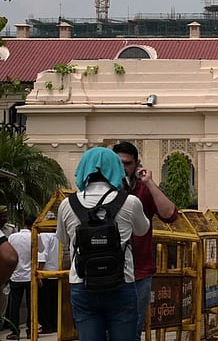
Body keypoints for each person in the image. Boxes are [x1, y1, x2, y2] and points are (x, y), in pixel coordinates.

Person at [56, 146, 150, 340]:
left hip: (82, 284)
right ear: (116, 169)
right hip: (121, 283)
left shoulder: (67, 204)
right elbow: (142, 230)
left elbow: (64, 239)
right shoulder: (130, 202)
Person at [113, 141, 178, 340]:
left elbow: (170, 214)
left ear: (137, 165)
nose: (123, 168)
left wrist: (149, 183)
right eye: (118, 163)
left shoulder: (142, 190)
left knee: (133, 328)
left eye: (127, 163)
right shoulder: (101, 190)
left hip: (138, 272)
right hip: (106, 272)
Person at [6, 214, 41, 339]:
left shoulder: (12, 237)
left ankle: (14, 331)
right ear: (34, 224)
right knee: (32, 305)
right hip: (30, 277)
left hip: (15, 275)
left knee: (14, 305)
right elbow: (41, 250)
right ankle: (31, 331)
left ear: (24, 223)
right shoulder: (35, 236)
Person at [37, 229, 59, 334]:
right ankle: (55, 325)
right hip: (57, 272)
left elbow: (42, 256)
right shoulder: (57, 236)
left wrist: (39, 274)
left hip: (46, 273)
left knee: (44, 302)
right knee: (54, 302)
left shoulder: (44, 235)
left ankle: (46, 326)